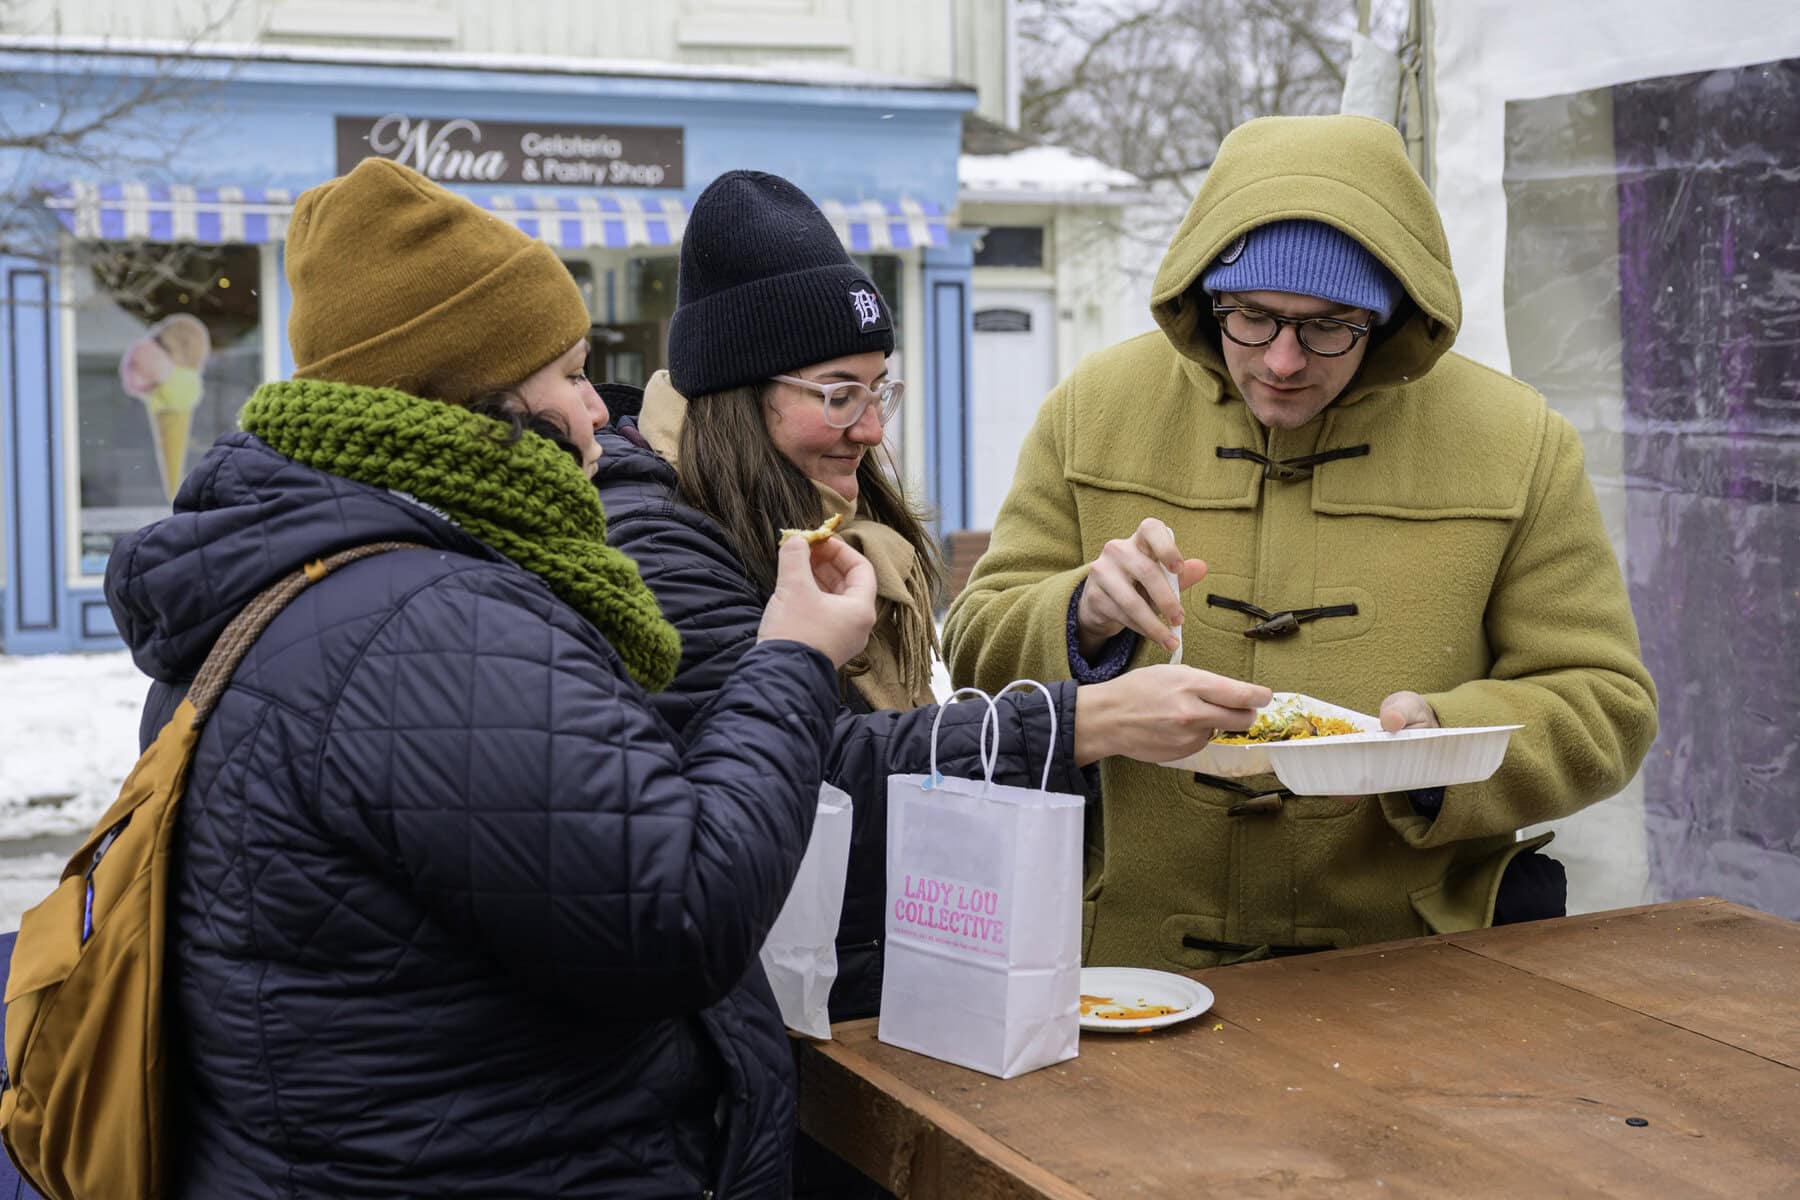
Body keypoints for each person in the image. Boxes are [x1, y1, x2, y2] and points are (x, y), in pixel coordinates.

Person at [104, 157, 879, 1198]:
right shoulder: (430, 629)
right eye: (566, 374)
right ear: (475, 393)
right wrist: (790, 658)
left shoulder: (331, 580)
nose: (597, 410)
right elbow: (679, 915)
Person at [943, 115, 1660, 972]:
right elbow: (977, 651)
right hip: (1125, 963)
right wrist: (1082, 615)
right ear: (1205, 298)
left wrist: (1443, 745)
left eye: (1328, 326)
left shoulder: (1518, 443)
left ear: (1392, 315)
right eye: (1252, 317)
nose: (1283, 360)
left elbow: (1608, 705)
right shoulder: (1095, 409)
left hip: (1415, 974)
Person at [594, 169, 1271, 1034]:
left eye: (879, 390)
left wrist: (1089, 625)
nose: (873, 428)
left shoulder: (829, 510)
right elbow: (805, 782)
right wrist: (1082, 724)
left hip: (857, 985)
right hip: (755, 1017)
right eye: (839, 394)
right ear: (737, 393)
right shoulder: (657, 542)